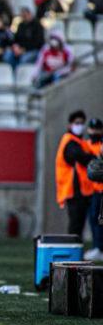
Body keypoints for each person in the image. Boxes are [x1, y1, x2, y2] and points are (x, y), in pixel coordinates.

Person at [55, 110, 96, 239]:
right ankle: (74, 252)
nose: (80, 126)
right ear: (70, 124)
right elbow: (82, 157)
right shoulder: (69, 141)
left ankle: (79, 250)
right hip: (73, 189)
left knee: (84, 222)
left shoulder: (80, 142)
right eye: (77, 123)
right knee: (76, 224)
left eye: (82, 123)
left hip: (83, 190)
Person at [83, 118, 103, 261]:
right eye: (92, 128)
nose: (94, 132)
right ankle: (97, 247)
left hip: (100, 190)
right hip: (90, 190)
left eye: (97, 129)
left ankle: (99, 248)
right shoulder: (85, 144)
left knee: (98, 220)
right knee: (93, 219)